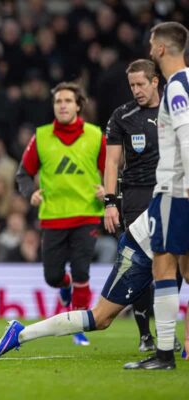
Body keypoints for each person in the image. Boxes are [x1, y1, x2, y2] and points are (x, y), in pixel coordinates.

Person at [0, 211, 157, 358]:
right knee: (100, 317)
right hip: (140, 248)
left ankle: (167, 348)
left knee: (172, 278)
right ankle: (20, 334)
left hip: (154, 242)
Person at [16, 81, 106, 347]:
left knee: (81, 271)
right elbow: (23, 173)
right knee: (53, 276)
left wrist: (109, 189)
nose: (63, 105)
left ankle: (77, 327)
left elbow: (112, 169)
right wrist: (29, 192)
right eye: (58, 101)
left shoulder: (95, 135)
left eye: (68, 100)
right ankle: (65, 291)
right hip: (53, 216)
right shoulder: (41, 136)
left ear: (78, 105)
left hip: (86, 214)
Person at [124, 21, 189, 370]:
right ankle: (164, 351)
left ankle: (164, 353)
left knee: (162, 262)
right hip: (181, 189)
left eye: (152, 43)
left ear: (162, 48)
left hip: (175, 190)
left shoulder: (177, 86)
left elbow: (186, 134)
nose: (149, 48)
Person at [103, 59, 160, 351]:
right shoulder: (123, 115)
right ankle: (145, 334)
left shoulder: (176, 112)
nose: (136, 90)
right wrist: (110, 203)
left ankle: (163, 332)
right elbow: (112, 162)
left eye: (141, 84)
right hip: (136, 195)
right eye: (132, 85)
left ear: (155, 81)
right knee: (141, 264)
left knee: (170, 265)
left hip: (170, 193)